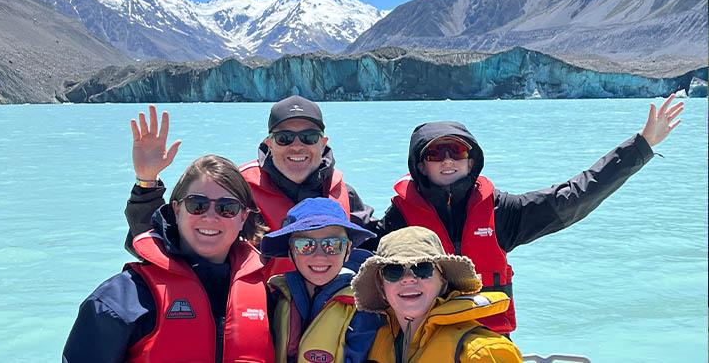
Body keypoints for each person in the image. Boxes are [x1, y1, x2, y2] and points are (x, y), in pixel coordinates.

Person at [377, 94, 684, 334]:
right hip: (421, 345)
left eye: (457, 152)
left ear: (472, 161)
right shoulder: (399, 219)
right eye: (435, 154)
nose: (447, 161)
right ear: (420, 165)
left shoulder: (500, 211)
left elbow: (574, 197)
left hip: (489, 345)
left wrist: (640, 147)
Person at [64, 155, 274, 363]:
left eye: (226, 208)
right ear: (176, 210)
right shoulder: (125, 297)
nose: (210, 217)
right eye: (197, 205)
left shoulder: (269, 295)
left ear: (243, 217)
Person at [124, 96, 377, 263]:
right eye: (284, 138)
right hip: (256, 319)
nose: (297, 147)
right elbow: (162, 242)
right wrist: (146, 181)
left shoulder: (344, 195)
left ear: (323, 143)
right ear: (269, 143)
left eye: (309, 138)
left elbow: (380, 249)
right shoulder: (237, 191)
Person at [351, 226, 522, 362]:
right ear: (382, 287)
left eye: (423, 269)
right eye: (393, 271)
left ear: (443, 281)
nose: (408, 279)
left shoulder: (480, 353)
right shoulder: (375, 342)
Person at [261, 197, 381, 363]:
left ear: (347, 251)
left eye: (332, 245)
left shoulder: (364, 308)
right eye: (305, 245)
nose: (319, 255)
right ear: (290, 252)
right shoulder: (274, 296)